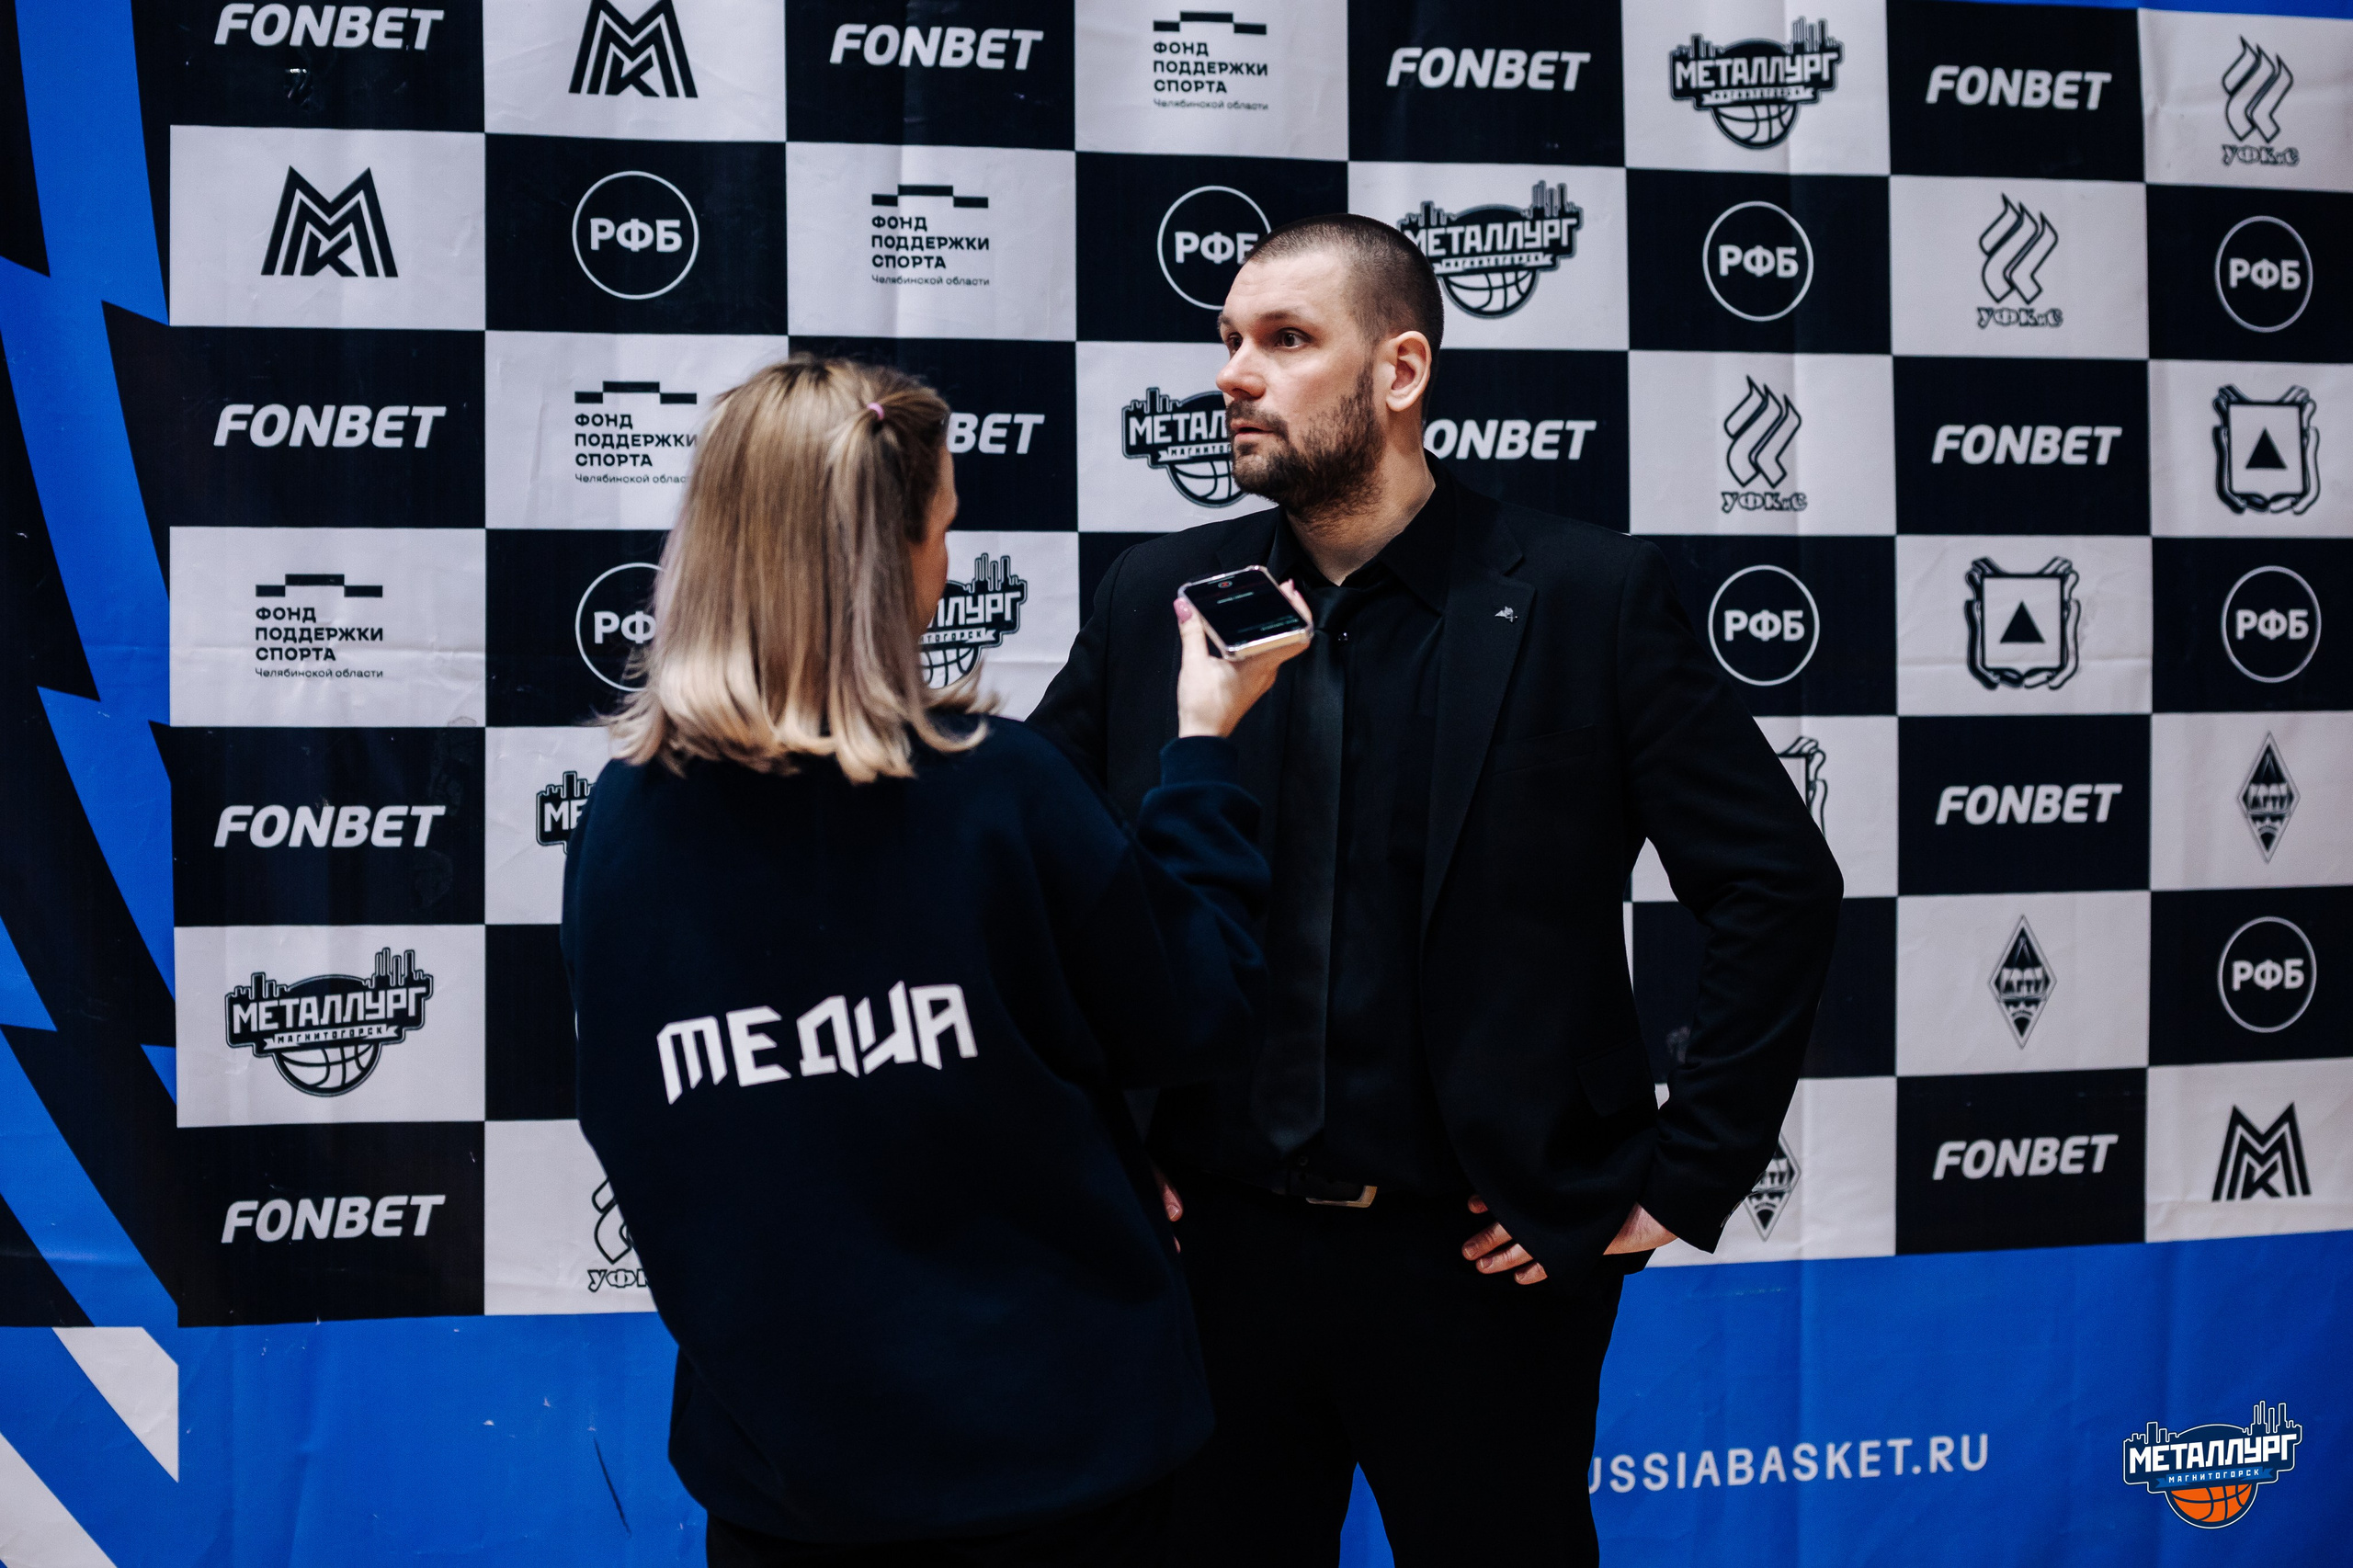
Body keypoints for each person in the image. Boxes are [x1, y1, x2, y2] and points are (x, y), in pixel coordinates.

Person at [1028, 216, 1845, 1565]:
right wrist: (1095, 1143)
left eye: (1287, 341)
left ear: (1400, 372)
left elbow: (1777, 885)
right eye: (1229, 341)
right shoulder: (1154, 596)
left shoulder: (1589, 594)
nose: (1236, 373)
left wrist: (1680, 1176)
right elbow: (1034, 893)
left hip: (1480, 1268)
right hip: (1207, 1259)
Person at [560, 356, 1311, 1566]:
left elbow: (646, 1137)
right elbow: (1198, 1009)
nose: (946, 567)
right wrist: (1203, 750)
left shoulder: (621, 822)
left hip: (786, 1487)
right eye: (943, 530)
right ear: (887, 558)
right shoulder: (998, 787)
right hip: (1063, 1480)